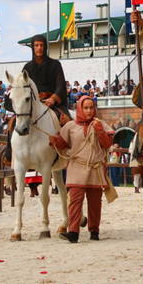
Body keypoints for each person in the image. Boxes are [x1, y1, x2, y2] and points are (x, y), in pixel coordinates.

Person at [49, 96, 114, 243]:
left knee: (95, 202)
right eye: (86, 108)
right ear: (80, 108)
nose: (89, 111)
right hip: (76, 167)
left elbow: (107, 144)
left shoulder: (101, 124)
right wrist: (55, 142)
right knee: (75, 201)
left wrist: (100, 132)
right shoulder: (70, 126)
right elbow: (63, 144)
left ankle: (94, 231)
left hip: (94, 168)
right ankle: (73, 232)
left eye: (91, 107)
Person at [21, 34, 70, 122]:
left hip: (54, 103)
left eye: (41, 45)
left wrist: (53, 98)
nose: (39, 48)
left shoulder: (55, 64)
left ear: (45, 47)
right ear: (33, 47)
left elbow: (61, 85)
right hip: (33, 104)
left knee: (66, 123)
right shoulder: (27, 67)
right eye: (36, 45)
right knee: (14, 124)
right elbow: (23, 87)